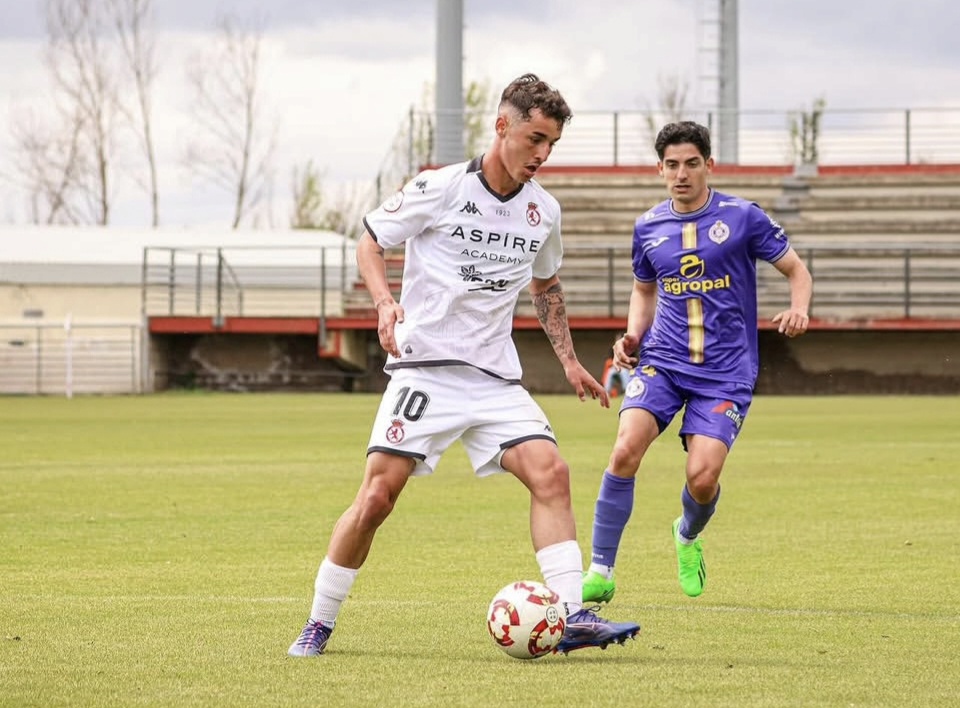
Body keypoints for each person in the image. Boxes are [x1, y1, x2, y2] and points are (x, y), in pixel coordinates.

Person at [288, 73, 641, 657]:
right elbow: (370, 240)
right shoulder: (441, 187)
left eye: (551, 143)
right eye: (534, 139)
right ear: (502, 126)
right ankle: (319, 621)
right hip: (425, 371)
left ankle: (574, 614)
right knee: (378, 497)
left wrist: (572, 361)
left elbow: (546, 286)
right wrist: (383, 303)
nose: (542, 154)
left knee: (551, 473)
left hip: (494, 379)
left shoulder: (543, 212)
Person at [582, 121, 813, 604]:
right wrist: (632, 334)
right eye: (672, 165)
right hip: (663, 361)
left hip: (726, 372)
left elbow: (796, 269)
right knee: (625, 449)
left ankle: (686, 535)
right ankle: (600, 569)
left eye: (691, 163)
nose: (681, 174)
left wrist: (799, 307)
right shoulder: (647, 226)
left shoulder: (743, 216)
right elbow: (644, 289)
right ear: (660, 169)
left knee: (702, 478)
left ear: (709, 165)